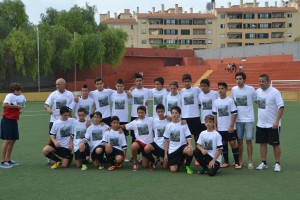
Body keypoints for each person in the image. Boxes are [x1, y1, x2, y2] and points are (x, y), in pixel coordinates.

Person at [255, 74, 284, 172]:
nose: (261, 83)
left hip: (273, 124)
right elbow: (257, 102)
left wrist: (276, 121)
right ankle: (264, 162)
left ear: (268, 81)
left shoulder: (275, 92)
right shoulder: (258, 91)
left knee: (275, 144)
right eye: (259, 81)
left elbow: (281, 107)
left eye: (263, 81)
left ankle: (277, 163)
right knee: (262, 143)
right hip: (261, 124)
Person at [212, 82, 241, 169]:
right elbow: (215, 115)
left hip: (229, 127)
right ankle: (226, 162)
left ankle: (237, 162)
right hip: (220, 128)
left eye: (222, 88)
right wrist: (215, 126)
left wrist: (231, 125)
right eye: (219, 88)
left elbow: (234, 114)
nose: (220, 90)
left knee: (233, 143)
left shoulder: (230, 101)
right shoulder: (216, 102)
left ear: (226, 90)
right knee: (223, 144)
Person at [231, 72, 256, 169]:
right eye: (237, 79)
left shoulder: (251, 89)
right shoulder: (233, 90)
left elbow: (256, 100)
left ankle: (250, 161)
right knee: (239, 141)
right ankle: (240, 160)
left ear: (244, 80)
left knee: (249, 141)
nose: (238, 81)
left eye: (240, 79)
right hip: (238, 120)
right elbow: (233, 102)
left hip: (249, 119)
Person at [0, 83, 25, 169]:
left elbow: (21, 107)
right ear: (14, 91)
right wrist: (16, 106)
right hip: (6, 120)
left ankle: (8, 160)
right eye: (18, 90)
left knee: (13, 140)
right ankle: (2, 161)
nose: (20, 92)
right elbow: (4, 105)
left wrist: (20, 110)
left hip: (14, 121)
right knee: (7, 140)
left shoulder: (21, 97)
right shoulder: (9, 96)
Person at [163, 106, 194, 174]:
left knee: (190, 150)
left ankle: (187, 166)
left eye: (176, 113)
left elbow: (188, 136)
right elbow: (166, 140)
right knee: (173, 170)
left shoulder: (183, 124)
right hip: (172, 150)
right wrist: (165, 154)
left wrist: (190, 145)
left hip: (181, 147)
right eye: (173, 113)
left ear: (179, 114)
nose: (174, 114)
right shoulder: (168, 126)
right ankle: (181, 161)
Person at [123, 106, 154, 171]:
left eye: (142, 113)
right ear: (137, 113)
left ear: (145, 113)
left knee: (144, 166)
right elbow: (124, 126)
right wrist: (113, 127)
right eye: (139, 113)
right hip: (139, 143)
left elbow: (161, 119)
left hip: (148, 146)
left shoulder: (151, 120)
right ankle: (135, 162)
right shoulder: (134, 122)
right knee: (134, 145)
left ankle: (144, 159)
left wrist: (167, 117)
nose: (140, 114)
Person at [144, 104, 169, 171]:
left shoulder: (168, 120)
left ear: (164, 111)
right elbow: (142, 118)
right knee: (146, 148)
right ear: (156, 112)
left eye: (162, 111)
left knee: (164, 167)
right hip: (156, 145)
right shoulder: (153, 120)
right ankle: (153, 161)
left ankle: (164, 160)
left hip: (166, 148)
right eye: (158, 112)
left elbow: (177, 122)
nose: (160, 113)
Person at [110, 79, 131, 162]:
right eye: (118, 86)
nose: (119, 88)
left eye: (121, 86)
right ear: (115, 86)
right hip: (115, 119)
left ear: (124, 86)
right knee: (113, 136)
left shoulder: (127, 94)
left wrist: (129, 91)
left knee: (124, 138)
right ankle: (111, 154)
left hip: (124, 119)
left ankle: (124, 155)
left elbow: (132, 99)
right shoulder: (112, 95)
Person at [180, 74, 201, 149]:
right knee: (185, 137)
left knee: (197, 137)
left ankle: (198, 156)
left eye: (188, 81)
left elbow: (203, 96)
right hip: (185, 118)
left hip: (195, 116)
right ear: (183, 82)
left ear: (191, 81)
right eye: (185, 81)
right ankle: (186, 154)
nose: (187, 83)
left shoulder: (196, 89)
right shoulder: (182, 91)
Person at [129, 73, 151, 143]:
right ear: (135, 82)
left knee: (144, 135)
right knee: (134, 136)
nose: (139, 82)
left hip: (144, 116)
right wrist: (129, 91)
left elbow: (158, 93)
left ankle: (145, 152)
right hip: (134, 116)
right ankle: (134, 152)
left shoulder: (148, 91)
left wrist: (148, 101)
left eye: (140, 80)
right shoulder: (131, 91)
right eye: (137, 81)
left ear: (143, 81)